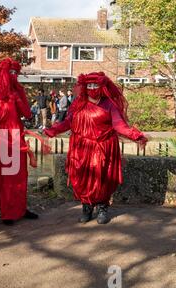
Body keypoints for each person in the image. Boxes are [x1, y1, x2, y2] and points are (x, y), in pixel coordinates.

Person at [43, 72, 148, 224]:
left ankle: (102, 207)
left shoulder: (109, 104)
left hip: (103, 148)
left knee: (102, 178)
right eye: (89, 85)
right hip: (81, 148)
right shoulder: (78, 104)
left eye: (95, 85)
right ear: (84, 86)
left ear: (102, 86)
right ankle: (87, 206)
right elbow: (68, 122)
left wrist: (136, 135)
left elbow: (119, 125)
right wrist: (52, 130)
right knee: (82, 178)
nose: (92, 88)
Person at [0, 58, 39, 226]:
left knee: (20, 174)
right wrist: (6, 107)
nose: (13, 76)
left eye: (16, 72)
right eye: (10, 72)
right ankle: (7, 211)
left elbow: (28, 114)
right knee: (5, 176)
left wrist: (17, 98)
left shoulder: (18, 92)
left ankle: (20, 208)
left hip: (16, 136)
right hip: (0, 138)